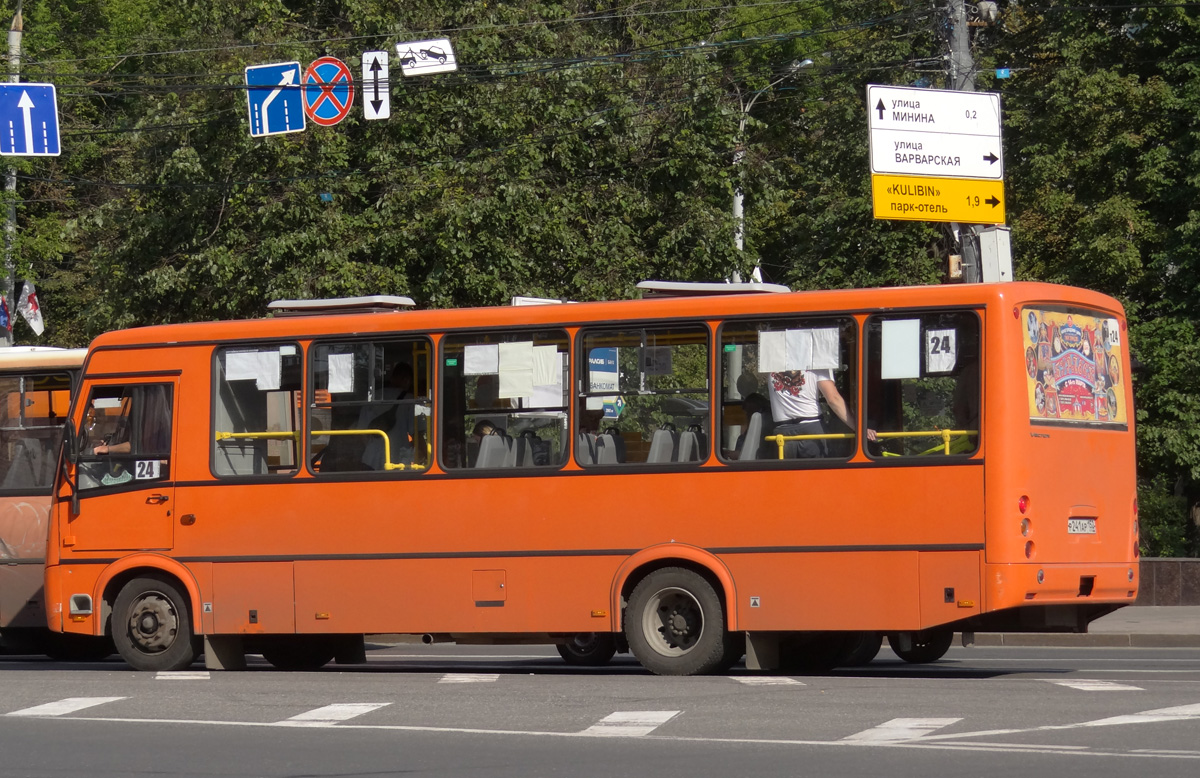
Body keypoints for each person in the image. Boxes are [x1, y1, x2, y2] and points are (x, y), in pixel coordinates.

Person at [768, 368, 874, 458]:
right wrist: (858, 428)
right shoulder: (818, 362)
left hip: (781, 432)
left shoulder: (773, 361)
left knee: (784, 479)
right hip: (812, 430)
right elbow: (833, 399)